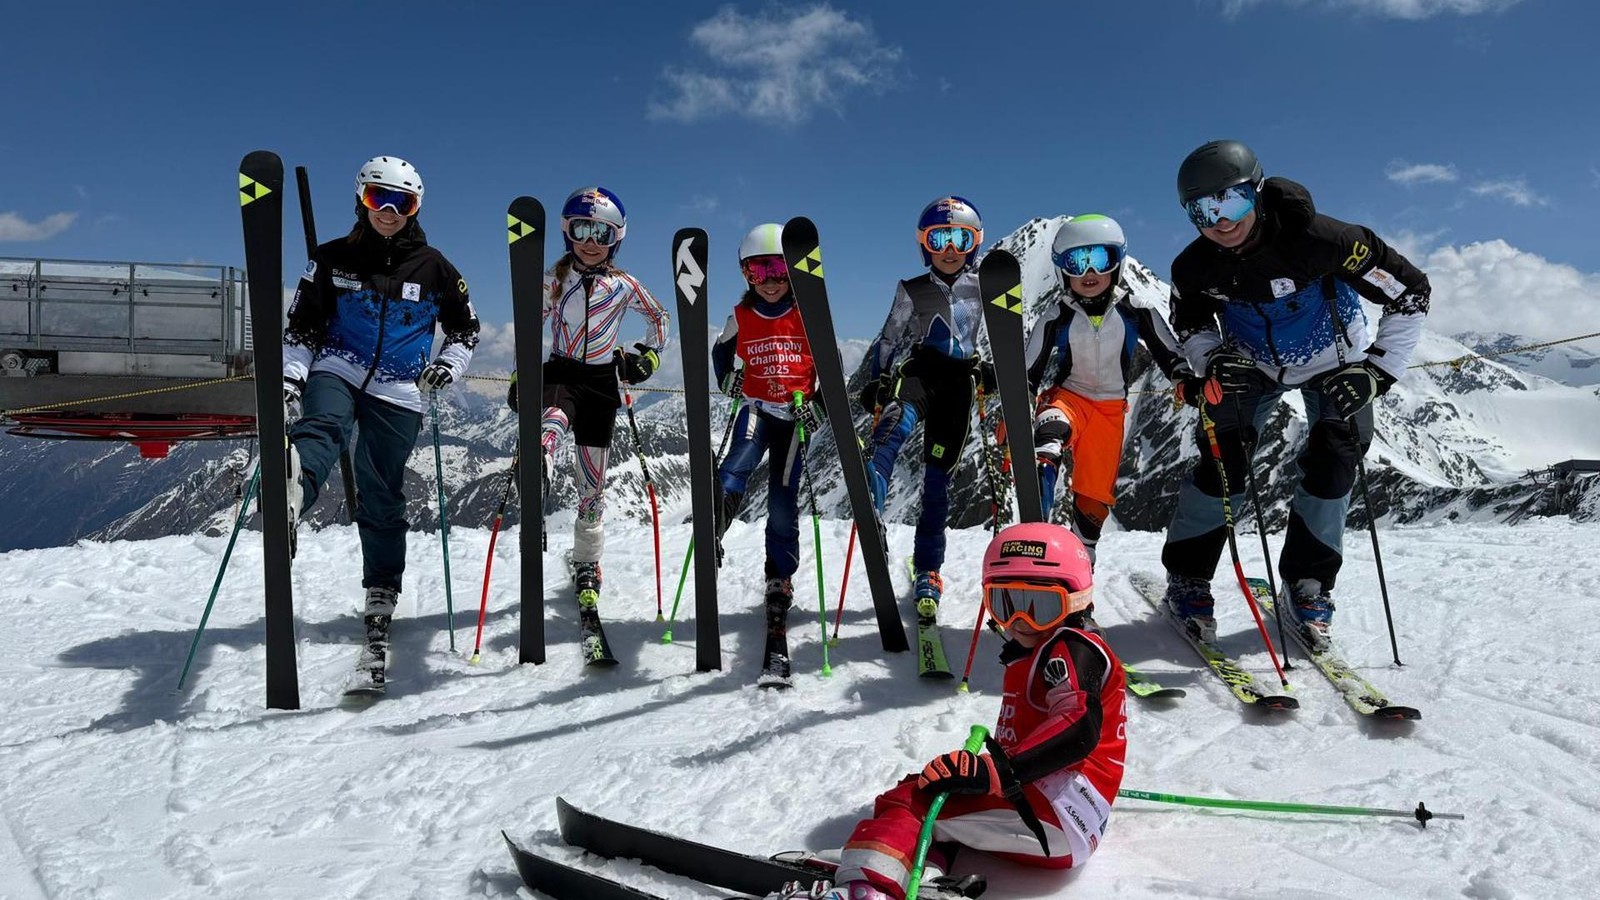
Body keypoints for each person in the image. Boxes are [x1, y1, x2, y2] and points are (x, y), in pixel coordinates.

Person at [1160, 140, 1430, 649]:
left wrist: (1376, 372)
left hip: (1337, 361)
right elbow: (1190, 321)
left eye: (1232, 201)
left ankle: (1308, 585)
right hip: (1249, 363)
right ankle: (1188, 578)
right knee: (1223, 461)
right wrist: (1213, 358)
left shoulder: (1330, 241)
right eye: (1202, 210)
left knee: (1335, 462)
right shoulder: (1194, 267)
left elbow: (1412, 293)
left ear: (1257, 192)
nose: (1220, 221)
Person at [776, 523, 1126, 900]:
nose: (1020, 623)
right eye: (1005, 604)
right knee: (950, 802)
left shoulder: (1069, 648)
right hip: (1069, 816)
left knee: (911, 797)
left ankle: (867, 887)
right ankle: (922, 870)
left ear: (1076, 600)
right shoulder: (1057, 648)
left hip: (1049, 813)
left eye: (1040, 607)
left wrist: (995, 772)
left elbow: (1078, 726)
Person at [282, 155, 479, 643]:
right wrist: (291, 377)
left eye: (401, 202)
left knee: (380, 489)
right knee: (323, 424)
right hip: (337, 365)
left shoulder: (435, 268)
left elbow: (465, 329)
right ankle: (293, 493)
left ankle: (382, 586)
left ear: (415, 208)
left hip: (400, 388)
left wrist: (448, 366)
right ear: (360, 199)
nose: (388, 211)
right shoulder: (331, 259)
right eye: (377, 198)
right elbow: (303, 325)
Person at [506, 186, 669, 608]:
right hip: (560, 371)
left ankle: (587, 561)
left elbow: (659, 317)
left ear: (617, 238)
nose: (591, 242)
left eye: (603, 232)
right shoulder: (554, 281)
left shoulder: (624, 285)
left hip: (601, 382)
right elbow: (526, 327)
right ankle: (536, 460)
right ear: (567, 232)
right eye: (582, 229)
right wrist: (519, 374)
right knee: (554, 417)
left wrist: (648, 357)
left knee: (591, 484)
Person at [1020, 214, 1192, 567]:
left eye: (1099, 259)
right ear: (1061, 269)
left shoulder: (1136, 309)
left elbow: (1168, 352)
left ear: (1117, 262)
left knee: (1093, 502)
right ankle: (1036, 523)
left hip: (1110, 411)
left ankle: (1078, 575)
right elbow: (1028, 370)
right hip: (1068, 397)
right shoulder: (1057, 314)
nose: (1088, 272)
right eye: (1076, 261)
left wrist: (1185, 380)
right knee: (1050, 438)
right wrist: (1017, 406)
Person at [858, 196, 996, 613]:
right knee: (890, 431)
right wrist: (879, 381)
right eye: (940, 239)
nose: (950, 248)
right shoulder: (912, 289)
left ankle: (928, 568)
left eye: (960, 238)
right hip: (919, 374)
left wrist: (994, 369)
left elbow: (1005, 334)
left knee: (937, 485)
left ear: (974, 242)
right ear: (925, 244)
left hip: (959, 386)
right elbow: (889, 338)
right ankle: (872, 510)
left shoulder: (984, 286)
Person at [709, 223, 820, 684]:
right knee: (734, 466)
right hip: (755, 408)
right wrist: (727, 379)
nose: (772, 278)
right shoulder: (741, 314)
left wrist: (819, 405)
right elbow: (721, 353)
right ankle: (714, 525)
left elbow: (827, 368)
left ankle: (780, 576)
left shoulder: (808, 312)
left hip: (792, 419)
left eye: (780, 268)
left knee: (781, 502)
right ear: (746, 273)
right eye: (760, 270)